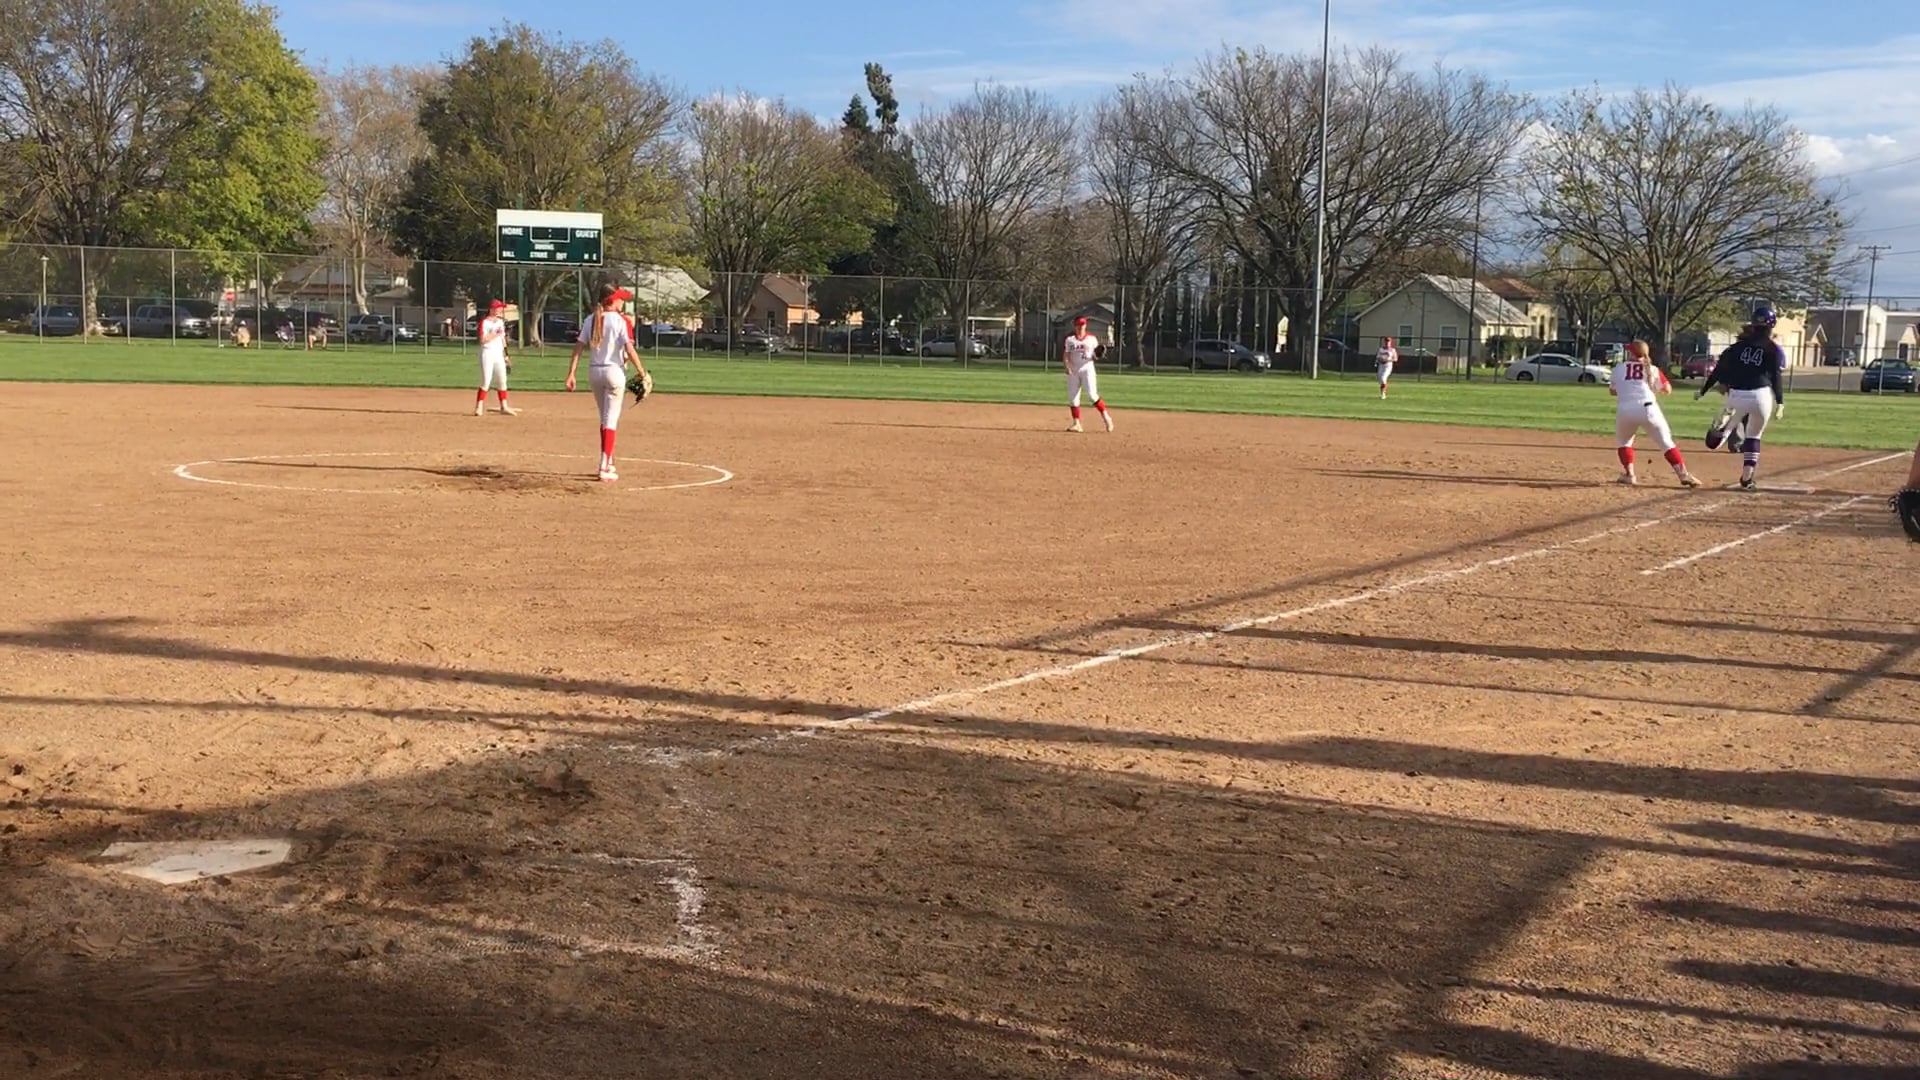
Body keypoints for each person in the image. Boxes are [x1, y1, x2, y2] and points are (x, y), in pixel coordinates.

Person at [566, 282, 649, 482]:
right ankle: (604, 467)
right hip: (614, 372)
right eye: (620, 299)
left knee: (604, 419)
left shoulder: (591, 319)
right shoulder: (621, 321)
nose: (622, 302)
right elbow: (629, 349)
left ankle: (608, 460)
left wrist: (571, 373)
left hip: (595, 372)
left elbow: (578, 348)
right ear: (612, 300)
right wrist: (642, 372)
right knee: (610, 420)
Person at [1698, 305, 1786, 489]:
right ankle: (1747, 479)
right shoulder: (1773, 349)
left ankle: (1719, 432)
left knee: (1715, 442)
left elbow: (1718, 371)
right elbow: (1776, 377)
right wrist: (1780, 402)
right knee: (1754, 436)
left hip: (1737, 395)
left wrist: (1703, 390)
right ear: (1772, 325)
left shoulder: (1737, 348)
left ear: (1753, 324)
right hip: (1762, 396)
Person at [1610, 340, 1700, 488]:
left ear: (1632, 353)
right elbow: (1667, 389)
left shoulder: (1619, 368)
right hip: (1649, 408)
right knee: (1666, 442)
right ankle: (1683, 475)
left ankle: (1629, 475)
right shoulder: (1652, 369)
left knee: (1624, 442)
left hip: (1625, 410)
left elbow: (1612, 391)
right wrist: (1654, 388)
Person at [1062, 315, 1112, 432]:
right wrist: (1067, 367)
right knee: (1073, 399)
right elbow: (1066, 355)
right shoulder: (1070, 340)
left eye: (1082, 325)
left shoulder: (1092, 339)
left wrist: (1098, 354)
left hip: (1087, 369)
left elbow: (1095, 356)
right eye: (1078, 325)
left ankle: (1106, 418)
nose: (1081, 327)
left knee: (1092, 396)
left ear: (1085, 326)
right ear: (1075, 326)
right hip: (1073, 371)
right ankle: (1077, 424)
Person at [475, 299, 516, 416]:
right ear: (492, 309)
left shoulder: (500, 322)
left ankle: (504, 406)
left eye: (500, 308)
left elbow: (503, 339)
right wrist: (495, 333)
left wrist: (506, 355)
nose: (500, 310)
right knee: (486, 381)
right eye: (498, 308)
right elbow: (483, 340)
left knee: (502, 380)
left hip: (498, 354)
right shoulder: (484, 322)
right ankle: (479, 407)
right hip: (487, 353)